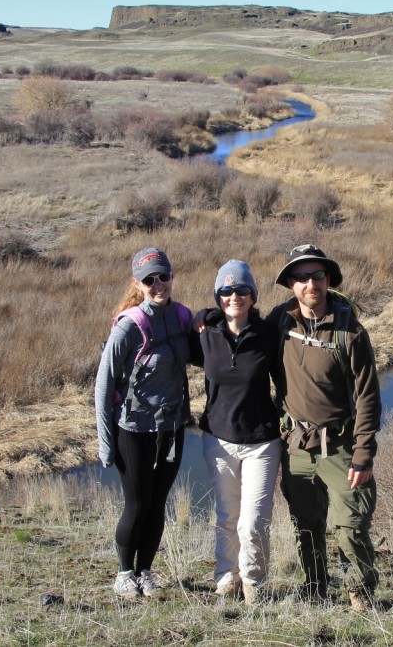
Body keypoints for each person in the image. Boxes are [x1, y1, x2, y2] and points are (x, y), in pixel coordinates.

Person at [268, 244, 383, 611]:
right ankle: (315, 589)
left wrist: (363, 456)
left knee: (350, 527)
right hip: (296, 449)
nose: (309, 284)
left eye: (317, 275)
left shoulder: (350, 332)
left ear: (328, 279)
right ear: (290, 284)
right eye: (301, 277)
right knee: (306, 526)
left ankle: (359, 596)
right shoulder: (278, 321)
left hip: (342, 447)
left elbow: (368, 398)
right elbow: (240, 342)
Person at [95, 247, 196, 600]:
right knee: (137, 504)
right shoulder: (129, 325)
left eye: (163, 276)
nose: (158, 285)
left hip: (171, 428)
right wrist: (106, 441)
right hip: (134, 430)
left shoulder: (182, 316)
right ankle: (124, 573)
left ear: (172, 276)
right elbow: (104, 384)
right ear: (137, 283)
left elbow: (204, 353)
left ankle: (146, 572)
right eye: (149, 279)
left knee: (158, 503)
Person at [195, 260, 282, 606]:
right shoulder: (205, 334)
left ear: (253, 295)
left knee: (254, 522)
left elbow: (288, 379)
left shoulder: (268, 335)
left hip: (261, 442)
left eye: (242, 290)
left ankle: (254, 586)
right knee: (227, 516)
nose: (235, 297)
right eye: (226, 291)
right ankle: (226, 579)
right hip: (218, 439)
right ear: (218, 296)